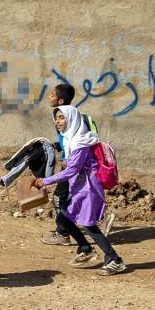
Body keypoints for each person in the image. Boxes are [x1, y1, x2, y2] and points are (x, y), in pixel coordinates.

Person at [34, 105, 126, 275]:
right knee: (64, 217)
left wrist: (46, 181)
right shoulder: (71, 138)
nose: (58, 121)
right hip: (79, 187)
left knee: (89, 224)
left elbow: (72, 170)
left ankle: (114, 259)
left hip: (88, 188)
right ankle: (85, 248)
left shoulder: (80, 142)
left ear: (72, 119)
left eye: (62, 118)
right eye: (56, 118)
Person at [42, 84, 113, 244]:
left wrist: (46, 180)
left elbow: (81, 141)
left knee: (60, 198)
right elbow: (67, 140)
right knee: (73, 199)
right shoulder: (65, 116)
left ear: (60, 100)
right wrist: (57, 146)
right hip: (75, 164)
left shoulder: (71, 117)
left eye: (52, 94)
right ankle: (97, 220)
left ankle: (63, 233)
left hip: (75, 166)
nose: (49, 97)